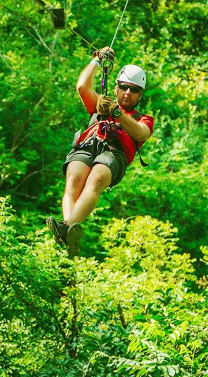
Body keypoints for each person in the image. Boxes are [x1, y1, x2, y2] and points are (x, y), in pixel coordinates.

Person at [47, 47, 153, 257]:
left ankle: (66, 227)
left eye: (133, 90)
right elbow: (82, 86)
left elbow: (141, 134)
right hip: (89, 144)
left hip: (114, 152)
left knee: (95, 179)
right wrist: (96, 61)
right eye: (123, 87)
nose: (127, 93)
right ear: (116, 88)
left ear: (140, 95)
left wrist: (115, 112)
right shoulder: (99, 105)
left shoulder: (143, 118)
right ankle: (69, 232)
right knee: (74, 181)